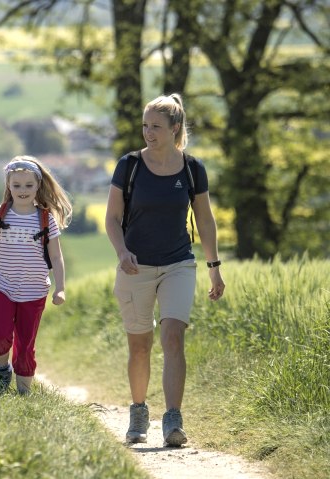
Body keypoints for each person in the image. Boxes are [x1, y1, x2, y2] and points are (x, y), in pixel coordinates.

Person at [105, 94, 225, 447]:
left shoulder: (192, 168)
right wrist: (122, 250)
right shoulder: (129, 166)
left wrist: (214, 267)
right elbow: (112, 218)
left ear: (175, 129)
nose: (148, 132)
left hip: (178, 263)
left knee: (173, 335)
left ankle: (173, 420)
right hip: (135, 267)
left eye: (155, 126)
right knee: (139, 346)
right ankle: (139, 412)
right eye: (145, 125)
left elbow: (204, 219)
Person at [0, 156, 72, 395]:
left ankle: (23, 394)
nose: (22, 190)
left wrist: (60, 288)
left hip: (34, 290)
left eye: (28, 185)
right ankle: (1, 372)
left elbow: (57, 257)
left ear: (38, 185)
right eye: (16, 185)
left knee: (25, 345)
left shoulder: (45, 218)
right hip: (1, 286)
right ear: (8, 185)